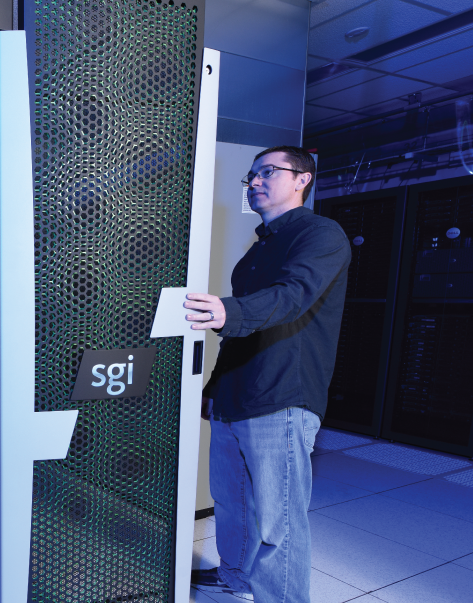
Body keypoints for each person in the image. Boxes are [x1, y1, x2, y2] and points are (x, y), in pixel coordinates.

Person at [184, 146, 350, 603]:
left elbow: (293, 295)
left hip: (282, 396)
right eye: (251, 176)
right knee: (233, 502)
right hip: (235, 396)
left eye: (268, 172)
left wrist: (228, 310)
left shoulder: (321, 235)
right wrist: (214, 386)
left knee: (281, 520)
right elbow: (241, 333)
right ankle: (237, 577)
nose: (254, 181)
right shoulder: (256, 253)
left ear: (302, 179)